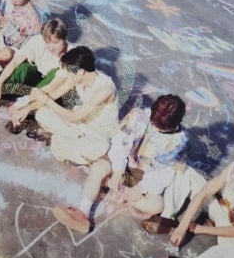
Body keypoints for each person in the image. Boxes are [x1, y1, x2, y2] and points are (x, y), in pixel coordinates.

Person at [51, 94, 188, 234]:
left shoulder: (178, 143)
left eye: (161, 128)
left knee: (157, 205)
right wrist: (118, 171)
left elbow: (164, 175)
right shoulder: (138, 115)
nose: (154, 128)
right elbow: (118, 142)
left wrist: (141, 188)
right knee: (99, 167)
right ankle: (82, 212)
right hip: (122, 159)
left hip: (142, 175)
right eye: (153, 123)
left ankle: (114, 189)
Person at [22, 46, 118, 163]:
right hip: (81, 124)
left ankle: (65, 139)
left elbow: (74, 117)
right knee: (42, 114)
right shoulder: (77, 78)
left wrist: (46, 100)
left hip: (98, 133)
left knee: (99, 147)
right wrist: (27, 108)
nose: (68, 75)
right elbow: (54, 95)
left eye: (69, 72)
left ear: (81, 72)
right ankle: (70, 139)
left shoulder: (105, 89)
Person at [0, 17, 70, 111]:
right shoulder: (37, 40)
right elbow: (14, 63)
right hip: (37, 78)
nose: (51, 47)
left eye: (56, 43)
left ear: (65, 39)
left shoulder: (70, 56)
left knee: (52, 75)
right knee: (23, 68)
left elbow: (53, 85)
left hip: (51, 87)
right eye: (48, 42)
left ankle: (26, 108)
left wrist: (26, 101)